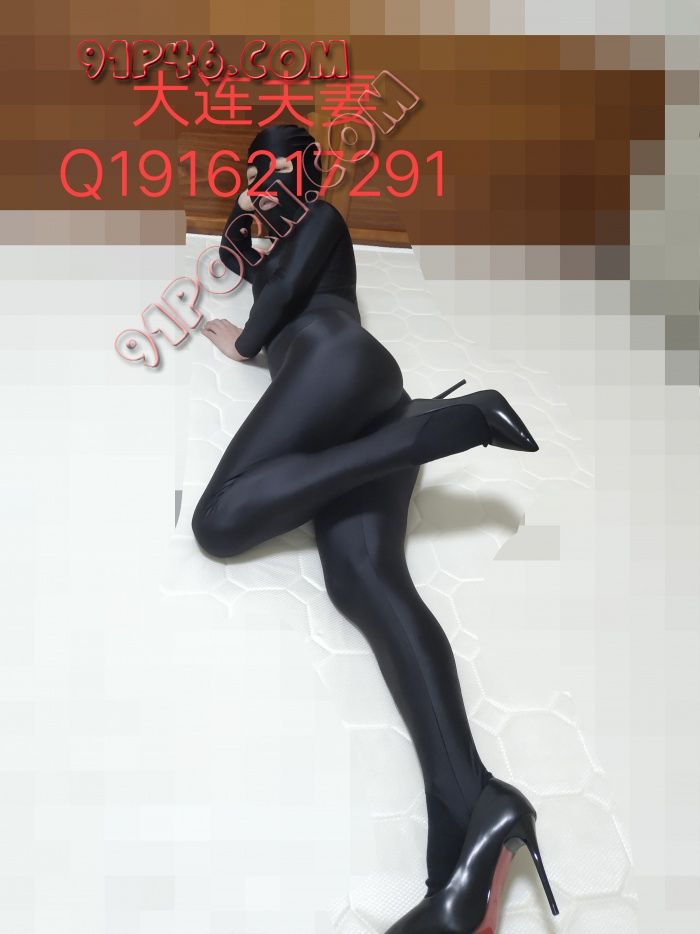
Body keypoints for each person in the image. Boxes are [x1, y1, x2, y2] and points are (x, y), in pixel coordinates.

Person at [192, 123, 559, 931]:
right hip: (359, 403)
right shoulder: (279, 239)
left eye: (274, 165)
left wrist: (246, 345)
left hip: (339, 362)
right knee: (364, 578)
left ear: (306, 170)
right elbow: (248, 267)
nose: (260, 180)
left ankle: (431, 431)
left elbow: (279, 303)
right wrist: (242, 230)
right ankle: (471, 817)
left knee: (219, 522)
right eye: (252, 168)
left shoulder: (324, 217)